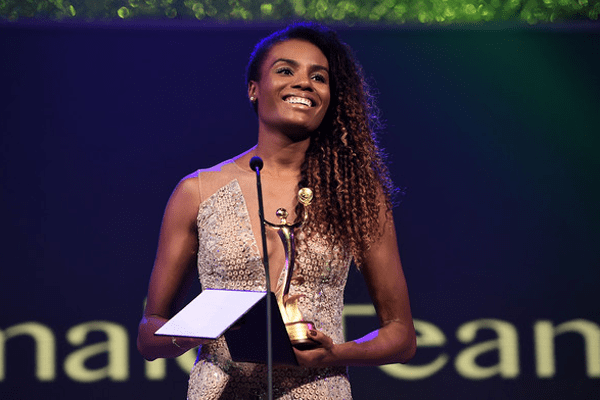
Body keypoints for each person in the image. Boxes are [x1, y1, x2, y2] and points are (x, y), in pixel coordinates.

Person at [137, 22, 416, 399]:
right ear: (254, 89)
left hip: (318, 389)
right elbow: (149, 336)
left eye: (319, 77)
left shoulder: (356, 195)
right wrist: (202, 326)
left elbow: (400, 335)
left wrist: (334, 353)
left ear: (330, 97)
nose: (304, 83)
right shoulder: (196, 191)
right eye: (286, 70)